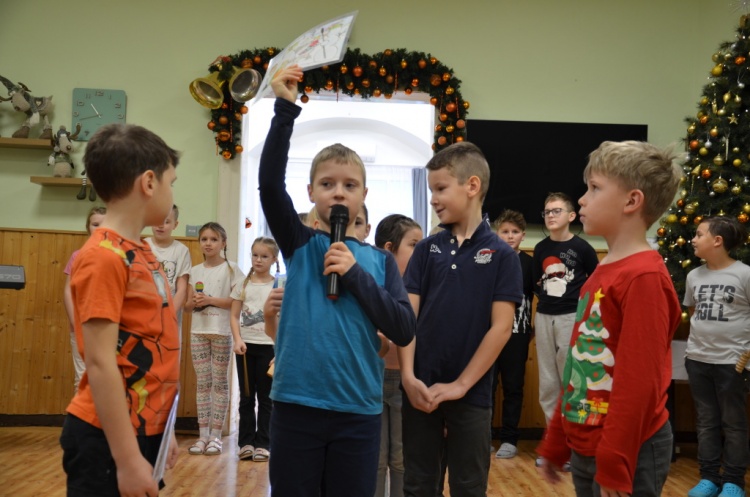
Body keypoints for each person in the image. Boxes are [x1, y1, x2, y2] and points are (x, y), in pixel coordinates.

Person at [259, 64, 415, 497]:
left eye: (350, 185)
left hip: (357, 411)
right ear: (311, 193)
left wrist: (354, 274)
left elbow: (403, 328)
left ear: (364, 195)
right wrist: (284, 109)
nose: (339, 192)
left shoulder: (379, 262)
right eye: (327, 184)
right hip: (296, 406)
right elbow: (269, 186)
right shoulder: (299, 243)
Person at [537, 140, 683, 497]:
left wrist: (617, 460)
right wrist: (557, 439)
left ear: (632, 201)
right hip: (588, 444)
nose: (582, 199)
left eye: (594, 188)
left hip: (631, 450)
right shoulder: (602, 272)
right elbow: (578, 366)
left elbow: (639, 383)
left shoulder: (644, 277)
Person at [59, 123, 180, 497]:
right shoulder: (103, 257)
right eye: (171, 182)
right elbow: (99, 363)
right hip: (106, 439)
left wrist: (164, 428)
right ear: (149, 183)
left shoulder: (141, 250)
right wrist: (126, 459)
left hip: (143, 428)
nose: (172, 192)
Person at [399, 141, 523, 497]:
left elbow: (501, 328)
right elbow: (407, 317)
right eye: (431, 190)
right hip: (419, 391)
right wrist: (407, 377)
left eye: (440, 189)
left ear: (472, 186)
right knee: (418, 485)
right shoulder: (426, 250)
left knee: (469, 486)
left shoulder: (502, 256)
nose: (433, 199)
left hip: (472, 395)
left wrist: (461, 384)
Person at [683, 216, 750, 497]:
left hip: (732, 364)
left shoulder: (744, 274)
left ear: (717, 241)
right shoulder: (693, 276)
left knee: (733, 423)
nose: (693, 239)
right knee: (706, 421)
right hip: (698, 360)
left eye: (699, 234)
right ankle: (709, 478)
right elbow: (693, 311)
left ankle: (733, 481)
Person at [533, 192, 598, 435]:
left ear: (571, 216)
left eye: (556, 211)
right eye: (547, 211)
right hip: (543, 316)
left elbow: (596, 280)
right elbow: (536, 283)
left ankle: (573, 435)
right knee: (548, 380)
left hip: (571, 316)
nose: (550, 215)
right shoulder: (540, 248)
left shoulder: (582, 248)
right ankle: (554, 436)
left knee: (570, 375)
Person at [373, 214, 424, 497]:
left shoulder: (421, 288)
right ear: (389, 249)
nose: (421, 251)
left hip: (408, 382)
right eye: (414, 245)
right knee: (377, 459)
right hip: (375, 379)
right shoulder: (371, 285)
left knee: (402, 458)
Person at [185, 222, 245, 457]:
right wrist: (194, 302)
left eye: (213, 239)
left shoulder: (232, 269)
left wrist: (210, 300)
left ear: (223, 243)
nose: (208, 243)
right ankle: (202, 436)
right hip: (198, 331)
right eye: (204, 239)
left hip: (222, 331)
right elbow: (187, 305)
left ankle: (216, 436)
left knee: (219, 383)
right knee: (203, 383)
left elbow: (235, 302)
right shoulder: (195, 270)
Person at [230, 236, 280, 463]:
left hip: (269, 348)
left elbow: (284, 318)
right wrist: (237, 339)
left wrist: (280, 350)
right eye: (255, 255)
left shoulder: (278, 285)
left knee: (267, 398)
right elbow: (234, 315)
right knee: (247, 396)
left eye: (264, 256)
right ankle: (246, 443)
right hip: (245, 348)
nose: (258, 260)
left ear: (274, 259)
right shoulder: (243, 284)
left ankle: (263, 443)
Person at [491, 209, 535, 459]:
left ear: (523, 235)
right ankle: (483, 436)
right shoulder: (489, 259)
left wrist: (533, 328)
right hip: (489, 332)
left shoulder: (529, 263)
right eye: (505, 232)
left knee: (513, 386)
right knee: (487, 385)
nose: (510, 236)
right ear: (497, 234)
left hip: (518, 333)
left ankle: (509, 439)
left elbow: (541, 295)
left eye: (515, 232)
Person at [63, 205, 106, 393]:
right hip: (81, 325)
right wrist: (75, 320)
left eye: (104, 225)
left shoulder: (117, 256)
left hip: (107, 327)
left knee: (106, 378)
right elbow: (68, 291)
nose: (100, 229)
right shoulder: (78, 256)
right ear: (87, 227)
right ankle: (81, 413)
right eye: (95, 224)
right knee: (82, 378)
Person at [145, 204, 191, 326]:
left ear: (175, 225)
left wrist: (168, 315)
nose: (160, 225)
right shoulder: (143, 246)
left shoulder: (182, 250)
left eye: (166, 222)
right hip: (145, 311)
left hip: (171, 313)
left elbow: (182, 289)